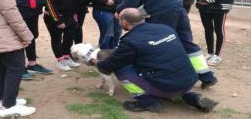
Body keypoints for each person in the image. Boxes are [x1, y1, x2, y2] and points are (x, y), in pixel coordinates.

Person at [111, 0, 217, 89]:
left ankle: (165, 79)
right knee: (186, 42)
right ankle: (207, 76)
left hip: (161, 12)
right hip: (177, 6)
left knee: (160, 44)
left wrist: (119, 10)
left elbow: (132, 1)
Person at [87, 8, 218, 112]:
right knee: (167, 70)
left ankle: (147, 101)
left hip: (164, 86)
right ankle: (193, 97)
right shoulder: (165, 28)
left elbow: (110, 65)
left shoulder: (130, 41)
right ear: (143, 18)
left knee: (121, 68)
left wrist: (96, 62)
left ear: (124, 23)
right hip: (189, 80)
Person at [43, 0, 80, 71]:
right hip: (54, 16)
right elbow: (49, 2)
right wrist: (57, 20)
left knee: (70, 36)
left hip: (69, 15)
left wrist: (74, 14)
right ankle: (60, 60)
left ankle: (66, 56)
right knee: (56, 38)